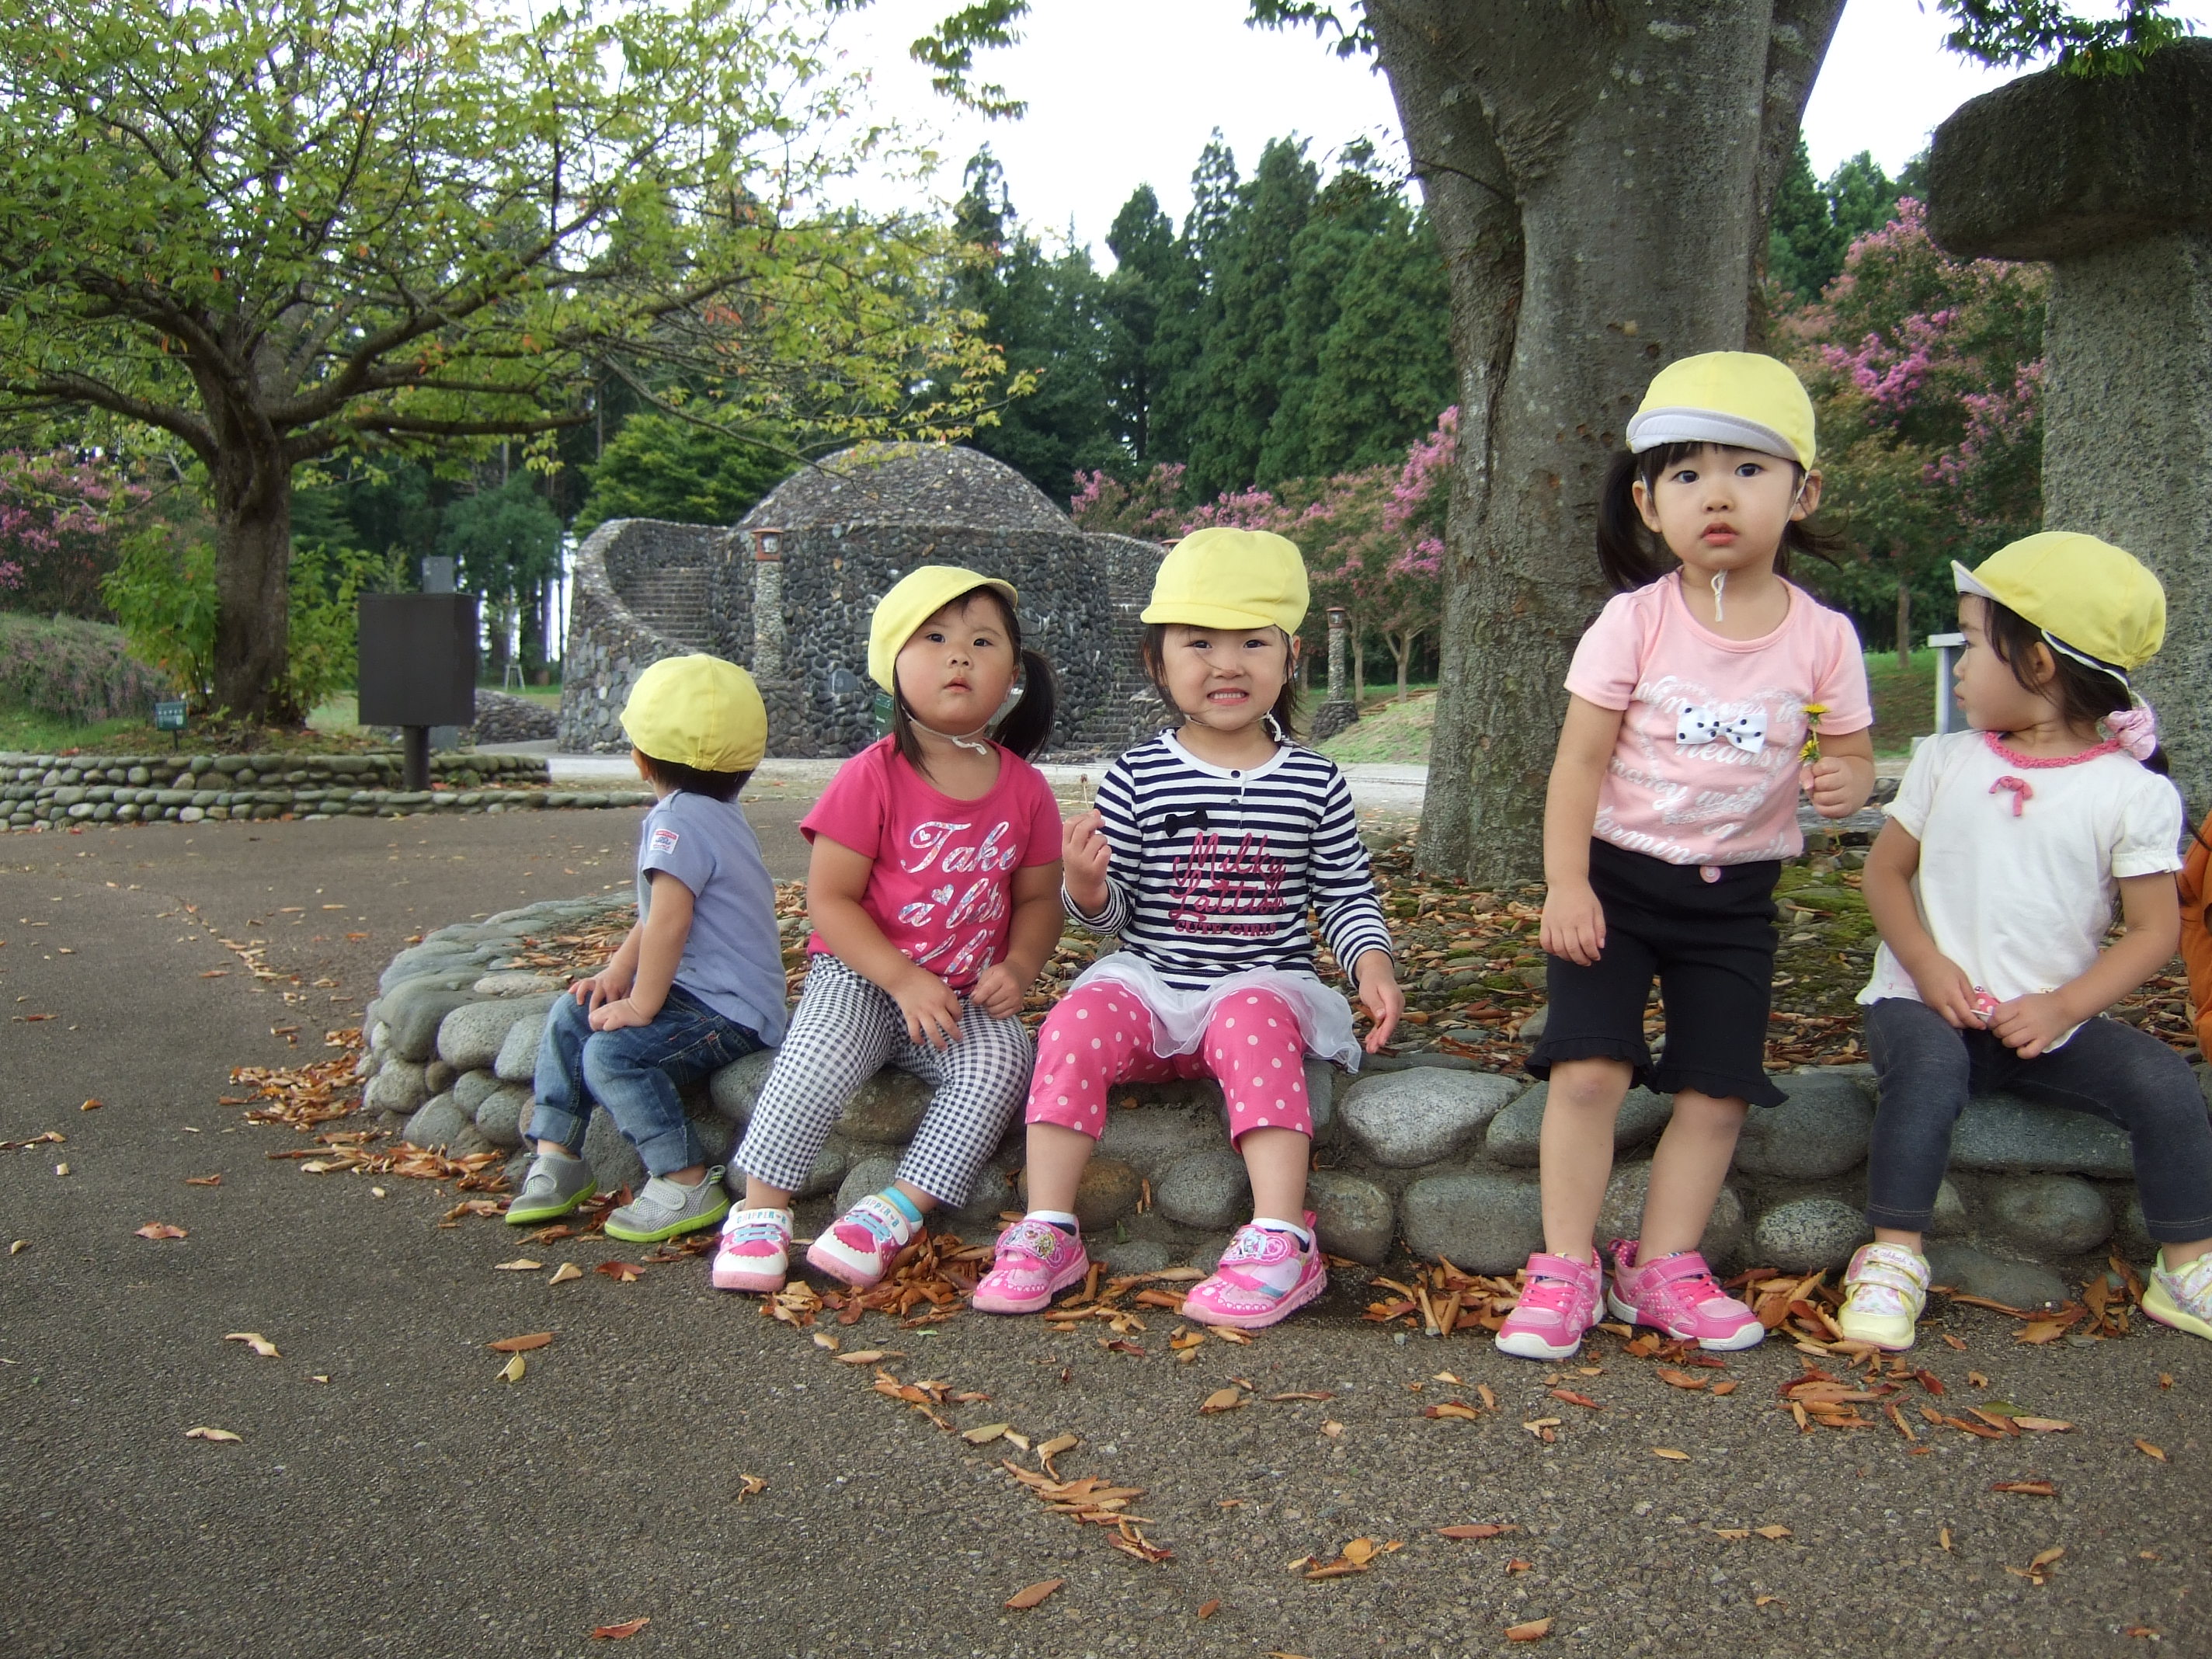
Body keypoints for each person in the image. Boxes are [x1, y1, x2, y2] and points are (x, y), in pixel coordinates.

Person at [1497, 352, 1876, 1362]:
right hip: (1615, 885)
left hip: (1735, 903)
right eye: (1688, 473)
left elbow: (1850, 752)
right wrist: (1566, 883)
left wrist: (1847, 780)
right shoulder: (1634, 621)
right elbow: (1578, 763)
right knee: (1588, 1071)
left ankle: (1662, 1266)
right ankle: (1564, 1266)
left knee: (1717, 1091)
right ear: (1647, 501)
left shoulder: (1824, 638)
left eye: (1749, 470)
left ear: (1803, 493)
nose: (1718, 494)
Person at [972, 527, 1404, 1330]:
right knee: (1073, 1023)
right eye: (1199, 643)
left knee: (1249, 1020)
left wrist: (1370, 963)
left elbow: (1344, 892)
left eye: (1252, 643)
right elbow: (1116, 915)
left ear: (1291, 657)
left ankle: (1281, 1237)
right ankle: (1047, 1227)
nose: (1226, 664)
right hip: (1152, 981)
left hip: (1259, 984)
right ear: (1157, 661)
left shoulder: (1314, 781)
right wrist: (1086, 887)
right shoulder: (1138, 775)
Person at [1842, 534, 2212, 1350]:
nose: (1960, 663)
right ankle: (1894, 1254)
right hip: (1920, 1006)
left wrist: (2062, 1008)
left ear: (2038, 663)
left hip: (2046, 1025)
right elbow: (1885, 874)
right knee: (1928, 1074)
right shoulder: (1946, 760)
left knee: (2162, 1081)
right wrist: (1925, 964)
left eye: (1974, 643)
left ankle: (2187, 1265)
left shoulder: (2131, 792)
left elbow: (2154, 931)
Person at [715, 566, 1063, 1292]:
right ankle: (761, 1209)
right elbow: (831, 900)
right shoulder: (871, 775)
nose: (959, 655)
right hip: (863, 977)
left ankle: (892, 1211)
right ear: (893, 666)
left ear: (1014, 674)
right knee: (816, 1057)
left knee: (1005, 1064)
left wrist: (1020, 967)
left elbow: (1039, 900)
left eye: (983, 642)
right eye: (933, 638)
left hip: (962, 997)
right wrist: (901, 978)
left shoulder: (1027, 789)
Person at [506, 656, 787, 1243]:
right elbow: (661, 915)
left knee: (614, 1056)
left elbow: (670, 923)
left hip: (729, 1012)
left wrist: (640, 1004)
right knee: (574, 1012)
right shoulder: (718, 813)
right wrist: (617, 973)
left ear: (640, 756)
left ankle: (685, 1180)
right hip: (707, 995)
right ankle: (557, 1156)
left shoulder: (678, 821)